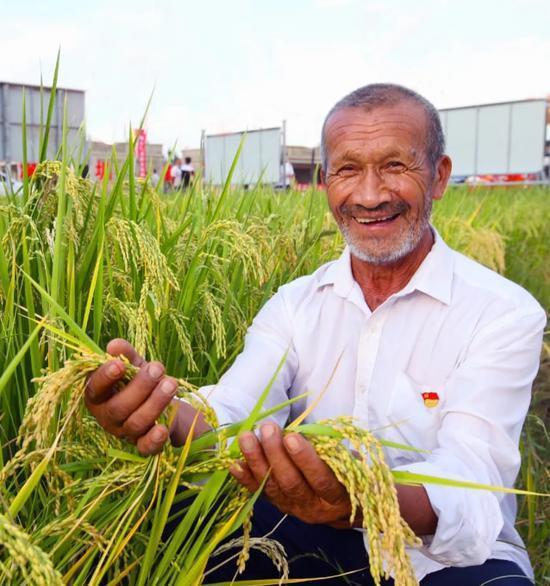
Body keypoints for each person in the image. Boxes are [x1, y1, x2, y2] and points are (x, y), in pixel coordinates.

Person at [85, 84, 545, 585]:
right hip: (306, 526)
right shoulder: (294, 304)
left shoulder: (501, 312)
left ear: (438, 176)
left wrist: (361, 498)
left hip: (444, 558)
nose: (370, 195)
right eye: (348, 170)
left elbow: (469, 476)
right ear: (325, 182)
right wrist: (162, 409)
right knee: (177, 521)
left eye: (395, 166)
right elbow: (236, 412)